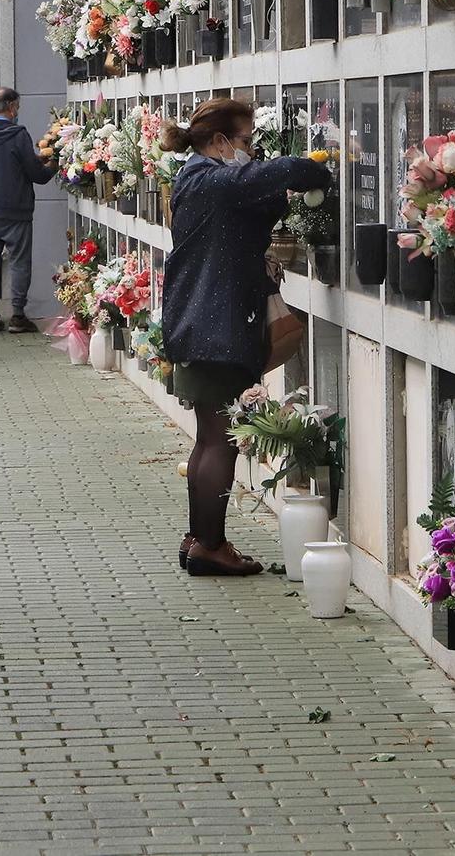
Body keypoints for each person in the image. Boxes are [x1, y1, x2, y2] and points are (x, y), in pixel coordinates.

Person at [160, 98, 332, 577]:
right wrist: (311, 170)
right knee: (220, 443)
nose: (251, 151)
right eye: (246, 141)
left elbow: (252, 205)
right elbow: (261, 178)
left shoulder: (202, 180)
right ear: (219, 142)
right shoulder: (209, 179)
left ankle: (200, 537)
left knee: (209, 441)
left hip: (200, 323)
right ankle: (210, 545)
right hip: (215, 328)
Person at [0, 86, 54, 334]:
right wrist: (55, 163)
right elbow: (35, 174)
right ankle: (18, 316)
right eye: (17, 106)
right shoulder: (18, 134)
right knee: (19, 262)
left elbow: (1, 162)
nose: (17, 111)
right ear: (10, 107)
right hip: (16, 209)